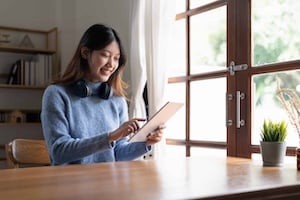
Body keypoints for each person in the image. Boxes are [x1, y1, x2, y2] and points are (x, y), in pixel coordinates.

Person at [41, 23, 165, 165]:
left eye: (116, 58)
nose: (111, 64)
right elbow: (59, 152)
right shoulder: (56, 94)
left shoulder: (117, 100)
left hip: (108, 182)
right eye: (105, 55)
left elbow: (118, 153)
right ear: (85, 53)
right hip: (71, 183)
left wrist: (146, 143)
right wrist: (111, 137)